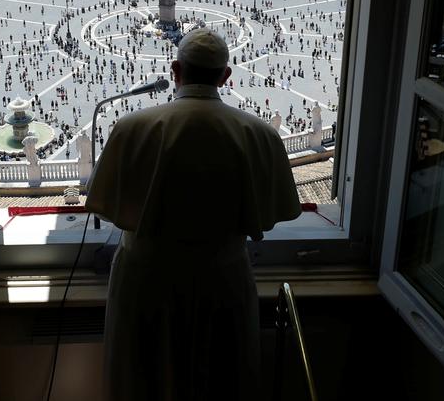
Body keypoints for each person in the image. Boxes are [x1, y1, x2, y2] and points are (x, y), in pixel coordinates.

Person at [85, 28, 301, 401]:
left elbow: (104, 205)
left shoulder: (131, 128)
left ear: (175, 70)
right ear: (225, 76)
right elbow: (275, 212)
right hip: (224, 280)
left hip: (145, 281)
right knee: (221, 379)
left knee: (142, 377)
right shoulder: (261, 135)